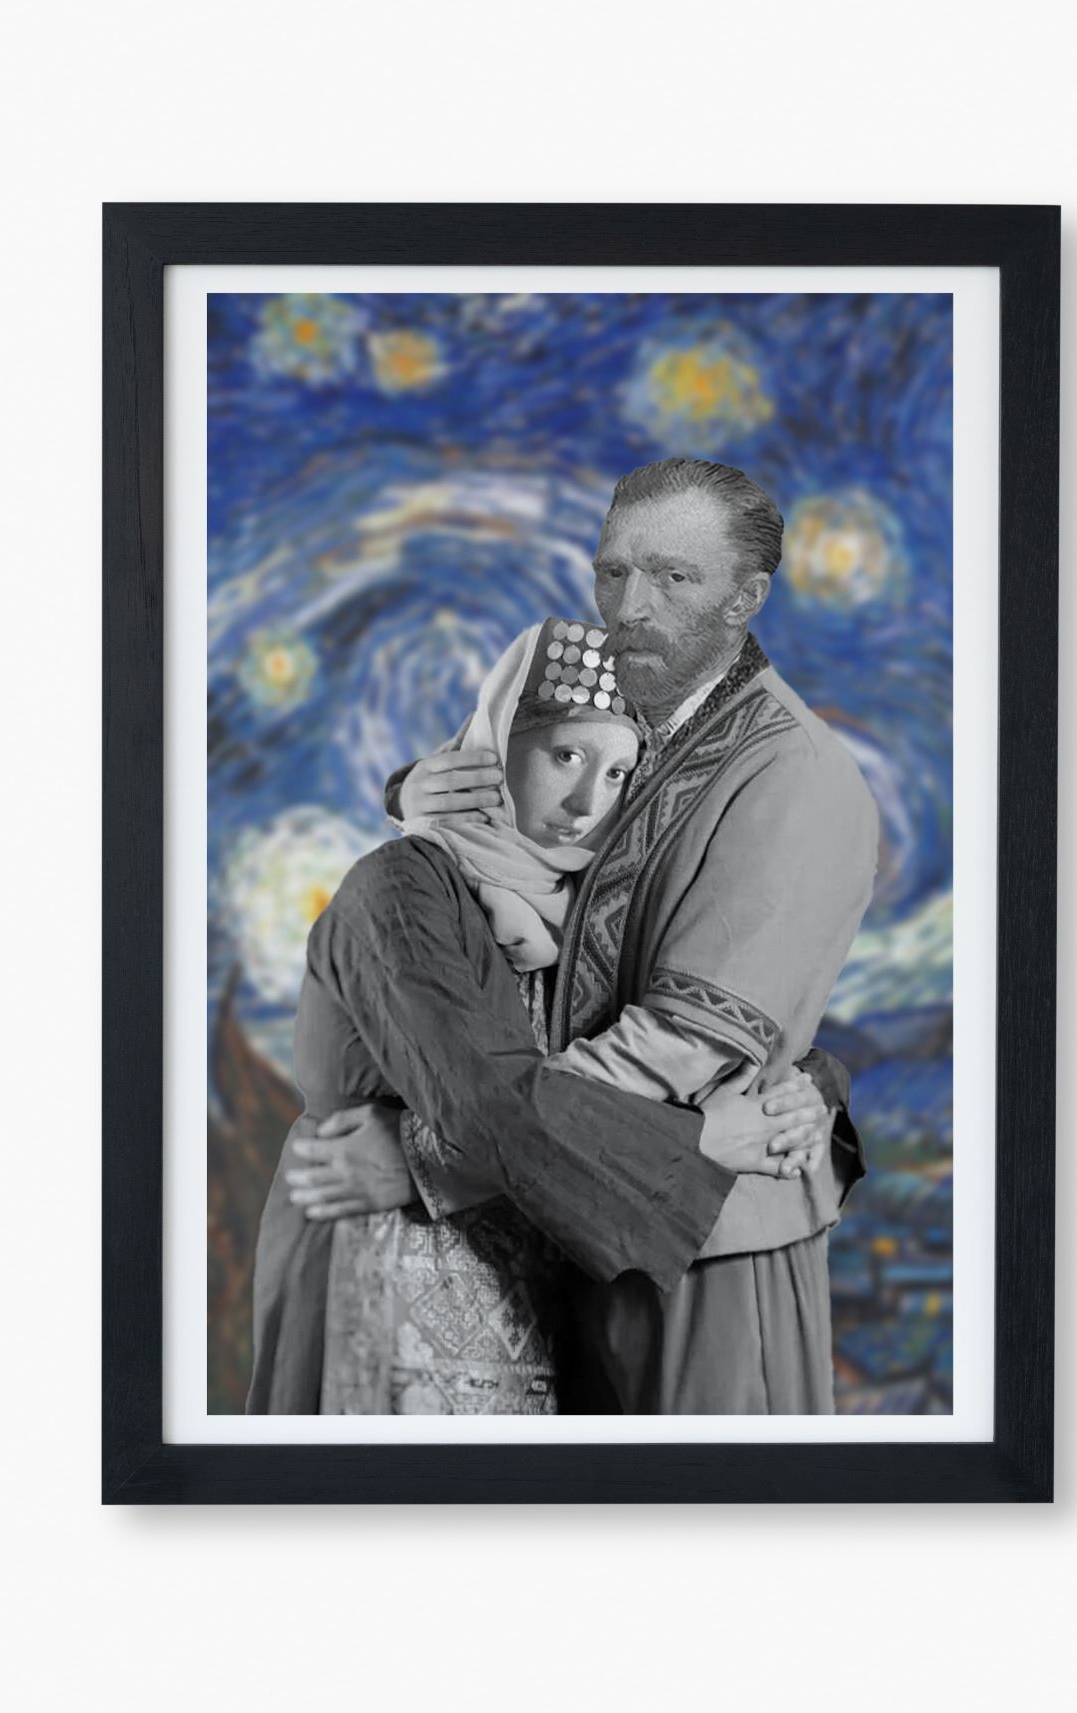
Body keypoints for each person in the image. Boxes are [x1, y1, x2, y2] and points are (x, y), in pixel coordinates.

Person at [376, 458, 879, 1413]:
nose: (630, 608)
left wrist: (429, 1162)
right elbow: (506, 841)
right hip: (571, 1222)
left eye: (674, 577)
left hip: (708, 1246)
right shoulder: (618, 720)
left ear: (745, 598)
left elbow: (680, 1046)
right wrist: (412, 791)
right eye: (613, 572)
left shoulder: (795, 777)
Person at [247, 619, 834, 1415]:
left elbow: (689, 1025)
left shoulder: (589, 913)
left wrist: (806, 1088)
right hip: (379, 1272)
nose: (587, 802)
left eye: (618, 771)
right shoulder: (402, 889)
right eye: (564, 755)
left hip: (531, 1304)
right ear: (494, 746)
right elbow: (490, 1106)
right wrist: (706, 1140)